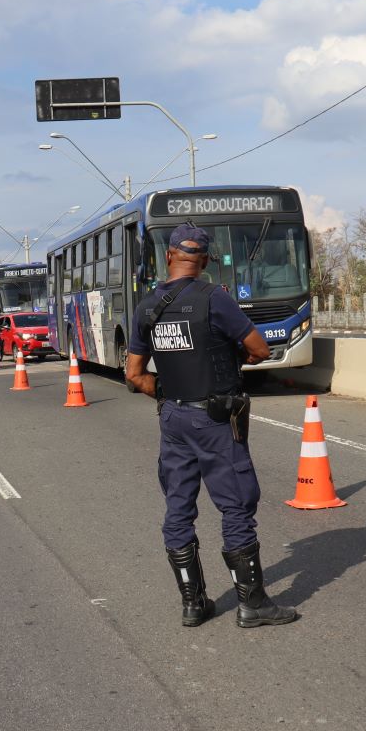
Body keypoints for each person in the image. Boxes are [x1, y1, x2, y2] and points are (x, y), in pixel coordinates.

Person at [125, 222, 298, 629]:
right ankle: (252, 605)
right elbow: (259, 349)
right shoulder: (214, 299)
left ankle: (194, 603)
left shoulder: (147, 307)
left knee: (178, 507)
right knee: (235, 505)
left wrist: (168, 395)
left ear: (169, 256)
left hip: (173, 418)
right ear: (204, 262)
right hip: (215, 418)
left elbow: (134, 374)